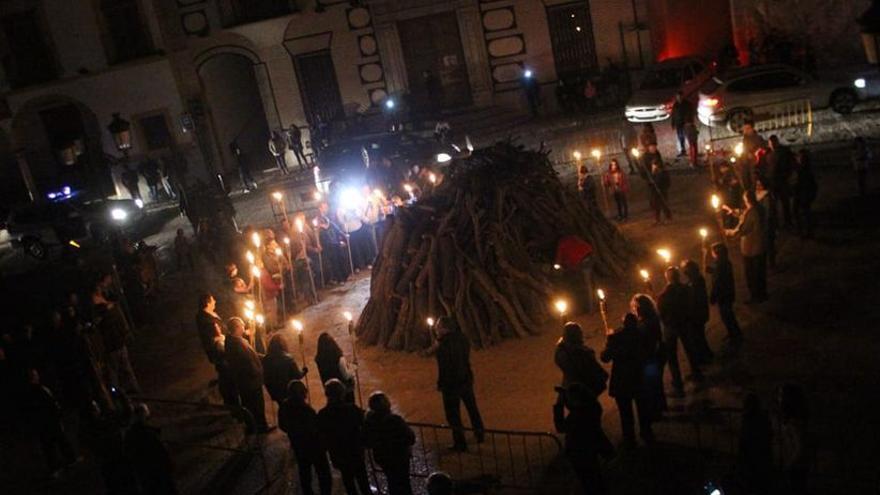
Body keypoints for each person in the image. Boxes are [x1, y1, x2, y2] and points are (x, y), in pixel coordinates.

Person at [553, 382, 614, 495]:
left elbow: (561, 427)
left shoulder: (578, 416)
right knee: (595, 478)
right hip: (591, 449)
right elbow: (575, 405)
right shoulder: (592, 408)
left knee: (589, 481)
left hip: (579, 452)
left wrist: (559, 405)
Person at [601, 313, 651, 449]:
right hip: (639, 378)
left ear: (624, 324)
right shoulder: (643, 335)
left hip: (622, 380)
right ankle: (647, 434)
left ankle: (629, 438)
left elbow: (605, 357)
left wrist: (608, 342)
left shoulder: (617, 337)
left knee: (625, 412)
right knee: (643, 409)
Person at [435, 316, 485, 452]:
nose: (436, 329)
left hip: (451, 385)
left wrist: (441, 383)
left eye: (438, 327)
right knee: (472, 407)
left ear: (445, 329)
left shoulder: (443, 346)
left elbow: (444, 368)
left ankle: (460, 443)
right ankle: (480, 433)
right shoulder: (463, 339)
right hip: (466, 380)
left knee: (453, 415)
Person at [317, 379, 372, 495]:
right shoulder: (352, 409)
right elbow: (364, 422)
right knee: (363, 482)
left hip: (338, 454)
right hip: (355, 452)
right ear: (342, 393)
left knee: (348, 482)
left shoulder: (323, 414)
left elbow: (321, 434)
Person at [279, 380, 333, 495]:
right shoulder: (306, 410)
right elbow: (315, 430)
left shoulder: (284, 406)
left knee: (304, 472)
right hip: (314, 448)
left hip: (298, 445)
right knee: (324, 474)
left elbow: (282, 425)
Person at [657, 267, 702, 398]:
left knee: (672, 356)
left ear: (667, 278)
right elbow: (691, 304)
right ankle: (696, 372)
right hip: (685, 324)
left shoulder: (664, 295)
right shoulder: (687, 289)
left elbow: (660, 312)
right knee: (690, 348)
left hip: (671, 327)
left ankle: (677, 383)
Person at [26, 368, 79, 478]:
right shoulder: (38, 390)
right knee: (56, 442)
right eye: (35, 374)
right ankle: (64, 462)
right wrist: (57, 415)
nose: (38, 376)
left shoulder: (33, 391)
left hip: (44, 423)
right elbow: (49, 405)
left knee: (52, 444)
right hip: (49, 421)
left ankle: (59, 465)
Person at [363, 391, 415, 495]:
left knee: (392, 481)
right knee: (404, 483)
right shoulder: (395, 420)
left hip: (383, 458)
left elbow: (367, 441)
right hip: (399, 457)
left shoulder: (369, 422)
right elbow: (411, 437)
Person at [224, 317, 269, 433]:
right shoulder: (236, 345)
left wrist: (265, 358)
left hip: (247, 382)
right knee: (256, 406)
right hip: (250, 382)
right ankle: (260, 427)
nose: (244, 327)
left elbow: (252, 354)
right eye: (242, 326)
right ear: (237, 328)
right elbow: (248, 363)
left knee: (250, 405)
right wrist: (258, 372)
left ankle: (254, 426)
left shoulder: (234, 340)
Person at [195, 294, 239, 407]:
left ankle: (230, 399)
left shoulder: (208, 315)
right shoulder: (206, 320)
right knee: (226, 375)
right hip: (219, 352)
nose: (215, 301)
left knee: (226, 374)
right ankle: (231, 403)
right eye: (212, 299)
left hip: (221, 347)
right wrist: (222, 338)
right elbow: (213, 339)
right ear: (207, 302)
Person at [124, 403, 178, 494]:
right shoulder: (149, 434)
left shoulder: (129, 435)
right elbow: (161, 451)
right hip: (157, 471)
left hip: (144, 474)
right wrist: (169, 464)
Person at [630, 294, 665, 432]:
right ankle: (659, 407)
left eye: (637, 307)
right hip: (652, 357)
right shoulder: (647, 320)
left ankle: (656, 411)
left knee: (652, 384)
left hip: (651, 358)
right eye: (634, 307)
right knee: (654, 383)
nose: (635, 310)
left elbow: (647, 340)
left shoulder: (648, 322)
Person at [725, 190, 768, 303]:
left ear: (747, 200)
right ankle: (763, 294)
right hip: (761, 246)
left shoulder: (752, 213)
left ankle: (755, 296)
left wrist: (730, 232)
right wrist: (732, 211)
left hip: (752, 248)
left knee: (752, 274)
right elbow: (744, 214)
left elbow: (743, 229)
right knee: (760, 273)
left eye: (744, 199)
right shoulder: (760, 208)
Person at [554, 322, 607, 395]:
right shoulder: (580, 354)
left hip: (570, 390)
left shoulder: (561, 351)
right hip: (584, 391)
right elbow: (594, 371)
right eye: (580, 333)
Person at [704, 243, 743, 342]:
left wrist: (713, 296)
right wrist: (710, 270)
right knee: (728, 316)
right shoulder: (724, 262)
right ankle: (733, 333)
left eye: (713, 251)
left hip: (724, 295)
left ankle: (735, 335)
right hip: (728, 293)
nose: (712, 253)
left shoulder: (720, 264)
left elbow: (718, 282)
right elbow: (719, 273)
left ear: (717, 253)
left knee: (727, 316)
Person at [778, 383, 811, 494]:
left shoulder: (794, 422)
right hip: (795, 465)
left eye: (781, 395)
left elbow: (799, 447)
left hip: (795, 467)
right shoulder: (795, 420)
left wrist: (789, 464)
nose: (779, 398)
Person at [738, 393, 773, 495]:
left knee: (753, 485)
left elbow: (744, 439)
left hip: (752, 459)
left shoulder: (747, 419)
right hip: (763, 458)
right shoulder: (763, 418)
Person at [680, 260, 713, 364]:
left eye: (685, 269)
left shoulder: (696, 281)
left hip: (697, 314)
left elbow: (693, 298)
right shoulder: (695, 280)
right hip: (699, 313)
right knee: (699, 336)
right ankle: (707, 355)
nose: (684, 271)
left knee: (697, 337)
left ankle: (703, 358)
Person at [262, 334, 306, 409]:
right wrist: (304, 371)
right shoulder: (288, 359)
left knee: (283, 408)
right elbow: (297, 376)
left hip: (275, 391)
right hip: (288, 391)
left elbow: (265, 376)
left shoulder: (266, 359)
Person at [554, 235, 596, 314]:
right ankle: (594, 304)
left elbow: (558, 260)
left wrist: (557, 266)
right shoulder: (574, 237)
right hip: (589, 257)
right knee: (588, 282)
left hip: (582, 262)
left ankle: (591, 308)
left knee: (586, 285)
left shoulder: (562, 244)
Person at [315, 333, 355, 403]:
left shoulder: (319, 359)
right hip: (343, 391)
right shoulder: (338, 357)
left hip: (330, 392)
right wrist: (354, 367)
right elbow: (346, 375)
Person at [765, 135, 794, 229]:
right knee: (774, 204)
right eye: (770, 143)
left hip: (782, 181)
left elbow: (789, 165)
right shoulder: (769, 154)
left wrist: (787, 176)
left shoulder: (783, 152)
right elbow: (769, 168)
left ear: (777, 142)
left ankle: (787, 222)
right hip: (774, 183)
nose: (772, 145)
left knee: (785, 202)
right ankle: (777, 222)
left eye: (773, 143)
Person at [793, 149, 818, 239]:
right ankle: (804, 230)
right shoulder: (801, 168)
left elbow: (807, 183)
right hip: (801, 193)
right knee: (800, 212)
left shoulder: (803, 170)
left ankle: (806, 231)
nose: (797, 158)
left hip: (803, 194)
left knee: (804, 213)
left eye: (799, 157)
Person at [670, 92, 695, 156]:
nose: (679, 98)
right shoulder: (675, 105)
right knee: (680, 137)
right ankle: (683, 150)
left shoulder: (687, 104)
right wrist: (673, 124)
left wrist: (690, 121)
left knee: (689, 137)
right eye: (678, 97)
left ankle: (692, 151)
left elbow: (691, 113)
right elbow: (673, 115)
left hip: (686, 123)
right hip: (679, 124)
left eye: (680, 97)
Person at [649, 158, 672, 225]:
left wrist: (662, 188)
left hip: (662, 191)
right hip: (655, 192)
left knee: (664, 205)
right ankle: (657, 219)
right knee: (656, 206)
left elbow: (666, 182)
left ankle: (668, 217)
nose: (653, 166)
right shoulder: (654, 173)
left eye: (654, 165)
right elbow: (652, 181)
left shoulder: (663, 173)